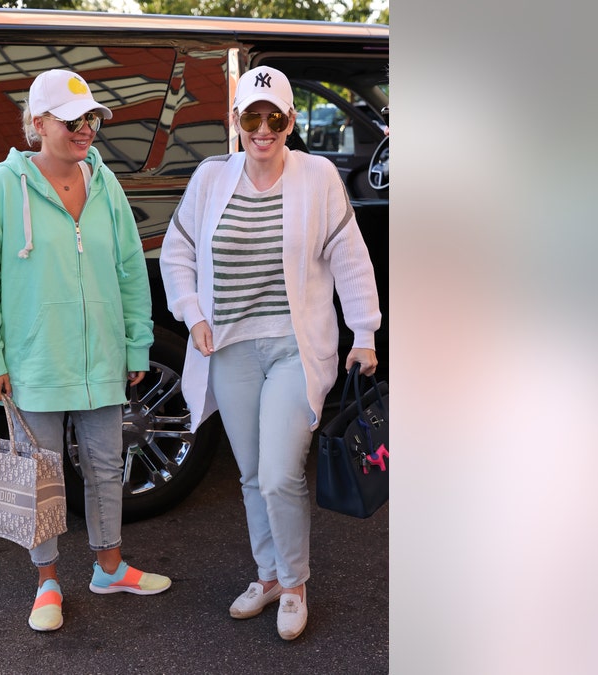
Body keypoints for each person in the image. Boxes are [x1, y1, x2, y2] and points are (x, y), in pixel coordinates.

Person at [159, 65, 382, 640]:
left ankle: (296, 581)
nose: (263, 129)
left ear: (289, 122)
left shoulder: (318, 176)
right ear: (236, 121)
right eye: (251, 117)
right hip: (228, 347)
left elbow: (351, 259)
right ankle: (269, 576)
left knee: (282, 474)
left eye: (274, 118)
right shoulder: (212, 177)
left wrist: (365, 333)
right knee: (253, 474)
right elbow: (176, 251)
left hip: (293, 348)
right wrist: (193, 313)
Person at [0, 69, 171, 633]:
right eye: (72, 120)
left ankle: (110, 567)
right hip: (35, 360)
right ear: (38, 124)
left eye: (91, 120)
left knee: (108, 467)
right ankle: (47, 582)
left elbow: (132, 270)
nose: (85, 130)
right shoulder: (4, 188)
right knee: (43, 475)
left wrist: (137, 343)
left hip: (101, 359)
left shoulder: (107, 185)